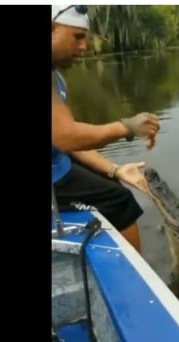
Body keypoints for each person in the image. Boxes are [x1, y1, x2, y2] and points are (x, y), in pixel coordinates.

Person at [51, 5, 160, 252]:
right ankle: (134, 278)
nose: (84, 47)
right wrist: (127, 127)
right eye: (77, 37)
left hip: (57, 163)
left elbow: (67, 137)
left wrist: (115, 170)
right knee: (120, 202)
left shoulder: (56, 78)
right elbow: (66, 137)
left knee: (114, 187)